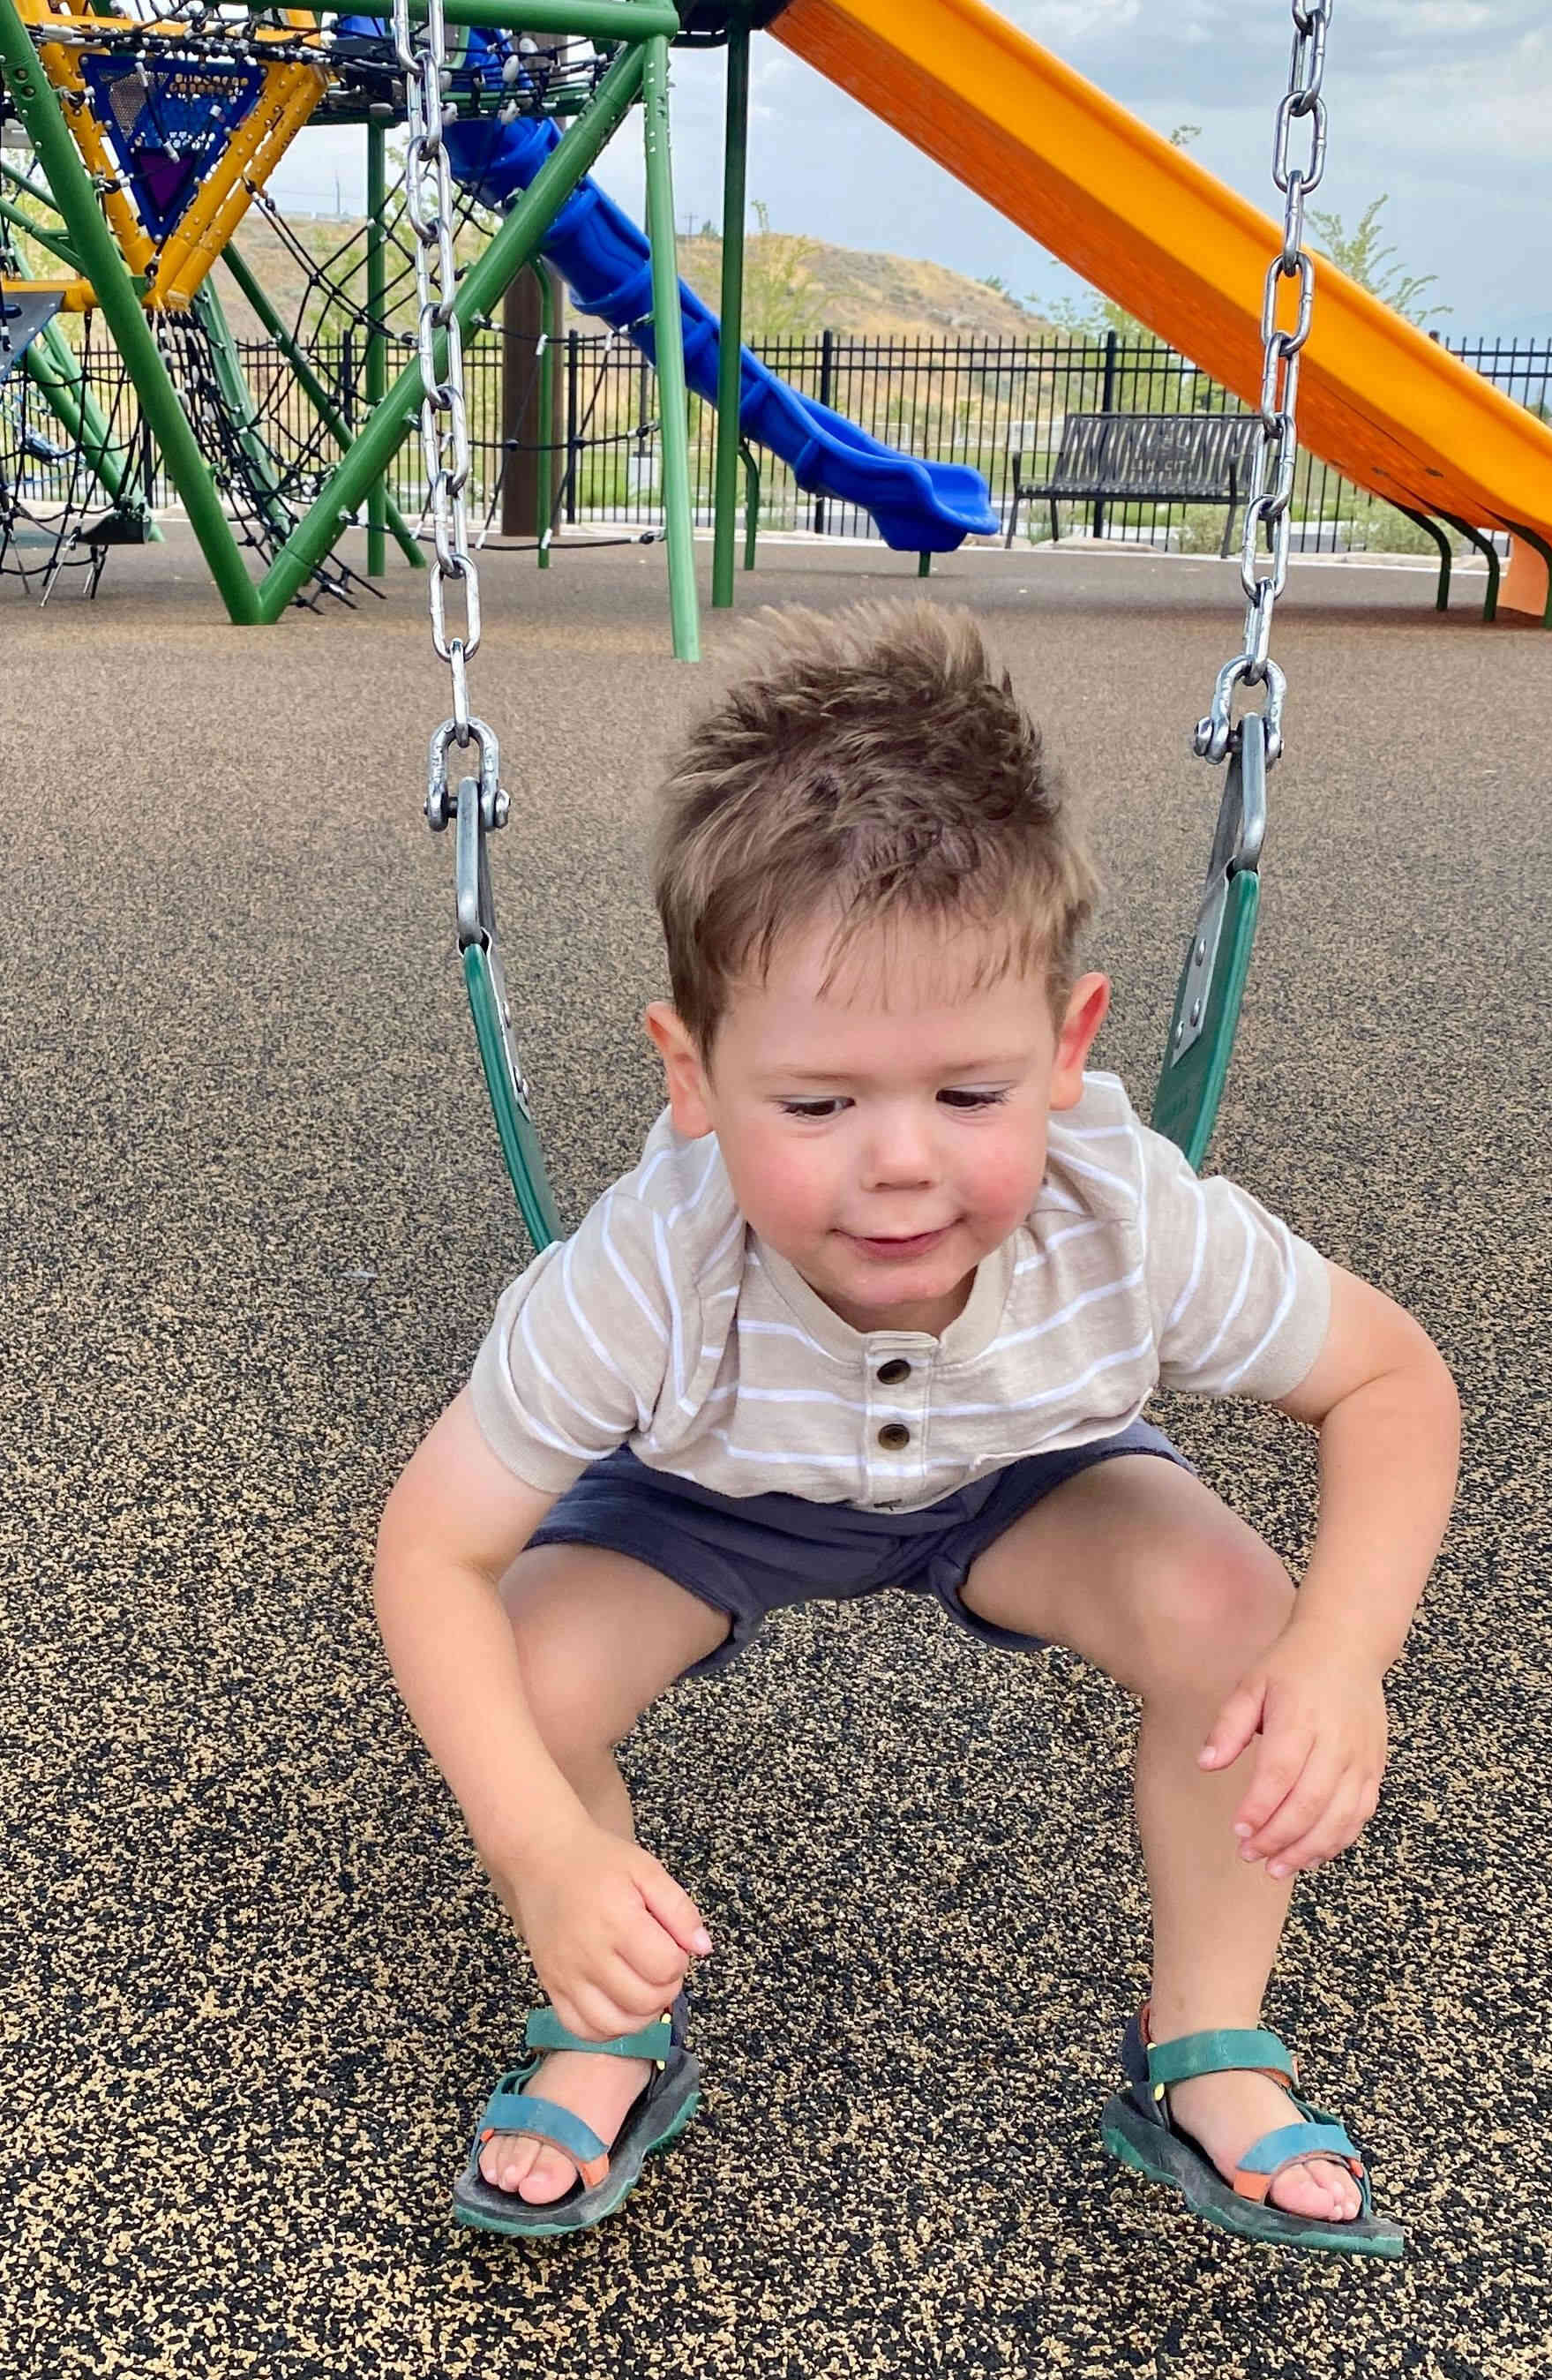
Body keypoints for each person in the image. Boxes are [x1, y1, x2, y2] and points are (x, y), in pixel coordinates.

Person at [372, 602, 1458, 2256]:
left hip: (1029, 1475)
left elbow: (1392, 1384)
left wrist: (1344, 1653)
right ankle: (607, 2006)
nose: (901, 1163)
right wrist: (534, 1846)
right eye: (817, 1103)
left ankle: (1208, 2036)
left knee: (1246, 1620)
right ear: (692, 1074)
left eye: (969, 1093)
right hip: (711, 1491)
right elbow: (430, 1548)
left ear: (1069, 1048)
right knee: (521, 1675)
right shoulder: (645, 1272)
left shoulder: (1125, 1211)